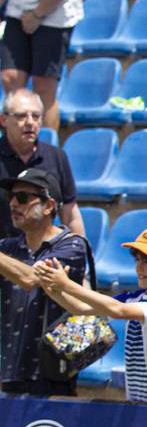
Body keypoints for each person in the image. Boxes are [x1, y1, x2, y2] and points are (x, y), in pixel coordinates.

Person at [34, 224, 147, 406]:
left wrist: (66, 284)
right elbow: (81, 309)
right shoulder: (135, 297)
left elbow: (117, 310)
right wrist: (51, 287)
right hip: (139, 403)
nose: (139, 267)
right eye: (138, 260)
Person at [0, 167, 87, 396]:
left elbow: (31, 278)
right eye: (11, 197)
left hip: (53, 377)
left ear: (49, 205)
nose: (12, 205)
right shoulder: (7, 248)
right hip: (10, 373)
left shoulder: (72, 246)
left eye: (22, 198)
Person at [0, 0, 81, 130]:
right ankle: (14, 147)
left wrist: (38, 14)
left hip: (56, 14)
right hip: (17, 10)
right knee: (10, 78)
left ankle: (46, 148)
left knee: (44, 86)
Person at [0, 88, 80, 237]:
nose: (30, 122)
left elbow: (70, 213)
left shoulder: (56, 156)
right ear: (3, 120)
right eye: (21, 116)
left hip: (45, 255)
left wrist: (79, 250)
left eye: (36, 116)